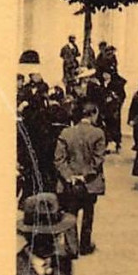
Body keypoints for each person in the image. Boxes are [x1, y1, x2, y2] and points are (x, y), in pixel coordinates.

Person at [55, 101, 105, 256]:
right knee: (88, 214)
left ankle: (72, 247)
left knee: (70, 213)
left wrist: (69, 176)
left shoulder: (66, 133)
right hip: (90, 183)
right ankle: (85, 245)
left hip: (69, 183)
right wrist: (85, 176)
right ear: (93, 114)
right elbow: (98, 160)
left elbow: (59, 159)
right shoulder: (98, 133)